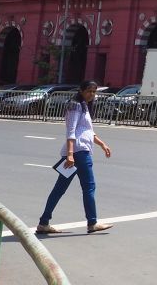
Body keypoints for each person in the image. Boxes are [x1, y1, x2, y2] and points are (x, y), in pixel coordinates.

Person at [36, 80, 114, 235]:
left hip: (78, 151)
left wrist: (102, 144)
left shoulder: (83, 105)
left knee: (59, 189)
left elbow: (87, 131)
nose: (92, 94)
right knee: (89, 187)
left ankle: (43, 223)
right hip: (79, 153)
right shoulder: (75, 106)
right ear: (81, 90)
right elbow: (71, 132)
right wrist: (70, 155)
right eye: (89, 91)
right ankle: (92, 222)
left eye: (94, 91)